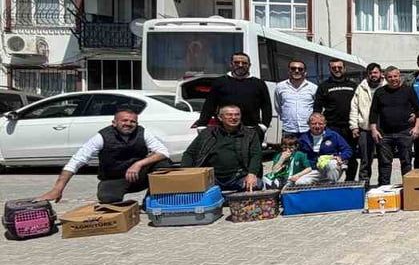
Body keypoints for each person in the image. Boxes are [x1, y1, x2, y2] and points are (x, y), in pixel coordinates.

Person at [37, 106, 171, 204]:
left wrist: (138, 164)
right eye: (124, 120)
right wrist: (57, 189)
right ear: (114, 123)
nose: (128, 124)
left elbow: (164, 152)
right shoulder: (102, 137)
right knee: (107, 198)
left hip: (138, 176)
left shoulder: (143, 133)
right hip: (114, 178)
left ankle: (151, 202)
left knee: (163, 164)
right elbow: (76, 161)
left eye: (132, 121)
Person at [180, 104, 263, 192]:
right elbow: (189, 153)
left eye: (237, 115)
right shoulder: (207, 133)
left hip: (238, 176)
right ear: (220, 117)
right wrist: (187, 173)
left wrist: (252, 174)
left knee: (257, 184)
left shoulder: (250, 134)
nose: (234, 117)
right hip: (212, 178)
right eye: (229, 115)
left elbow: (256, 155)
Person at [369, 66, 419, 187]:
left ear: (400, 76)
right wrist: (373, 130)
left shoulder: (408, 90)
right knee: (384, 164)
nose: (393, 79)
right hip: (384, 134)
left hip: (405, 132)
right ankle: (384, 189)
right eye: (390, 77)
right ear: (385, 78)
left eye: (395, 76)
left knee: (406, 162)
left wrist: (417, 128)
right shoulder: (380, 92)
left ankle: (409, 189)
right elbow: (373, 112)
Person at [194, 51, 272, 131]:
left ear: (249, 65)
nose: (240, 65)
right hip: (224, 130)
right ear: (231, 64)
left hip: (252, 129)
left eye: (244, 63)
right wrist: (202, 124)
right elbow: (209, 105)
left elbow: (266, 107)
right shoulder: (220, 82)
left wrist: (264, 126)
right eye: (237, 63)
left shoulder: (259, 83)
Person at [314, 58, 359, 182]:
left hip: (350, 127)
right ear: (330, 69)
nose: (337, 70)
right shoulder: (323, 86)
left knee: (351, 156)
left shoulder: (353, 85)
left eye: (339, 67)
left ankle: (349, 181)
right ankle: (332, 182)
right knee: (331, 156)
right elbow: (317, 107)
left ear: (344, 68)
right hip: (332, 128)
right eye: (334, 68)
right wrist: (317, 125)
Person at [348, 63, 383, 184]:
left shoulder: (386, 86)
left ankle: (383, 184)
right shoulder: (361, 87)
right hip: (365, 128)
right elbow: (354, 108)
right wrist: (354, 126)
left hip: (383, 128)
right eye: (371, 73)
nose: (373, 75)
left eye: (375, 72)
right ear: (367, 74)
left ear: (380, 73)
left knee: (384, 159)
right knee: (365, 159)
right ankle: (364, 184)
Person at [297, 113, 351, 182]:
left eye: (320, 124)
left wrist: (340, 157)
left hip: (329, 168)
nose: (317, 126)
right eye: (314, 123)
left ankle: (331, 187)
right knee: (300, 182)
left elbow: (347, 150)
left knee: (332, 164)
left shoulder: (333, 135)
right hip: (312, 169)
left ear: (325, 124)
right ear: (309, 124)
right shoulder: (303, 139)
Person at [275, 59, 318, 138]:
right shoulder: (280, 87)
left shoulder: (313, 88)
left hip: (308, 129)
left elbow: (317, 107)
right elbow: (278, 106)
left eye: (300, 69)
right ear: (289, 71)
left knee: (307, 150)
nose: (297, 71)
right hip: (288, 129)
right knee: (288, 151)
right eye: (293, 68)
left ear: (305, 72)